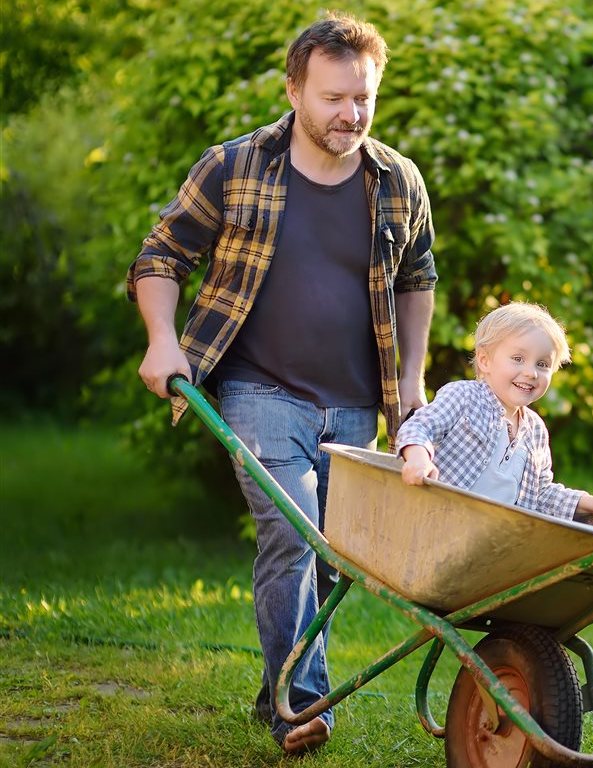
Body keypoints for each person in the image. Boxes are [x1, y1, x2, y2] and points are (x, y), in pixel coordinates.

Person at [127, 13, 435, 754]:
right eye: (333, 98)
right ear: (294, 90)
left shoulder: (396, 181)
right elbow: (161, 255)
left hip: (356, 402)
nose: (350, 114)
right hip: (257, 390)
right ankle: (301, 704)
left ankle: (280, 683)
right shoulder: (234, 166)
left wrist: (412, 380)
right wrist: (163, 340)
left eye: (363, 97)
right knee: (293, 533)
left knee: (328, 556)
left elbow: (417, 278)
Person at [397, 302, 593, 526]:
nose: (531, 373)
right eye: (518, 359)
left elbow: (541, 495)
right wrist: (418, 458)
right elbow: (419, 427)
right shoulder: (464, 397)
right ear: (485, 360)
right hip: (436, 523)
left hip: (489, 541)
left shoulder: (536, 430)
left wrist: (592, 503)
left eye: (542, 364)